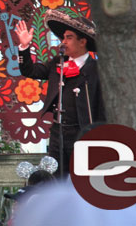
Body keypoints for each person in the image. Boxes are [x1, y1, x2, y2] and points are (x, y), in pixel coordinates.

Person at [14, 9, 106, 174]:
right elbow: (30, 71)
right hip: (58, 133)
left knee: (83, 179)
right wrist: (24, 47)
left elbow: (101, 107)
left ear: (82, 41)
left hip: (83, 133)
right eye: (63, 37)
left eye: (69, 38)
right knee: (56, 179)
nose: (63, 42)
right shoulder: (58, 63)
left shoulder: (96, 69)